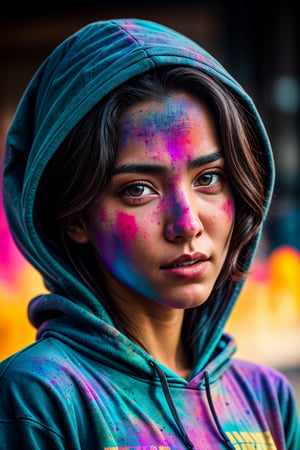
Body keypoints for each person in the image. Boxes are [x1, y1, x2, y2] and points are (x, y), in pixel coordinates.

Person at [0, 18, 299, 450]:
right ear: (74, 218)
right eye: (139, 189)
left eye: (209, 178)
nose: (187, 224)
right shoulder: (39, 398)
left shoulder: (266, 399)